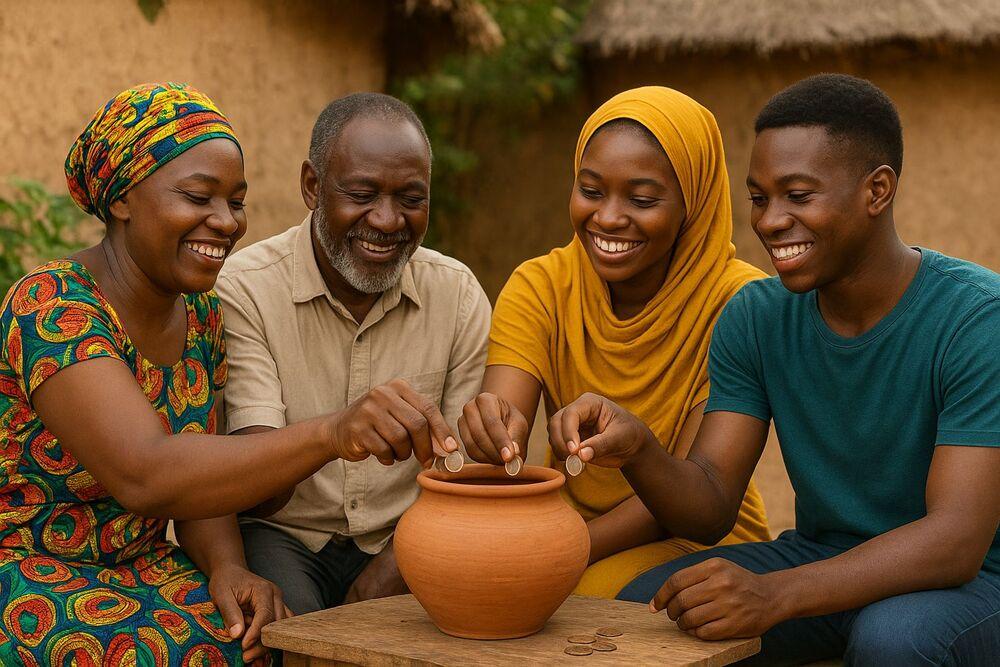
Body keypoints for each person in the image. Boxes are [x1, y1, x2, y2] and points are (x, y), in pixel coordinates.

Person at [0, 83, 456, 665]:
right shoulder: (53, 307)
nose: (225, 222)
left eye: (236, 202)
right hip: (32, 569)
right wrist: (333, 432)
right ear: (121, 200)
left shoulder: (201, 316)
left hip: (140, 565)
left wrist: (228, 567)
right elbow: (148, 474)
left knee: (266, 634)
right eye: (198, 197)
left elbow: (205, 472)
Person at [555, 74, 1000, 664]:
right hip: (825, 556)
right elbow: (711, 505)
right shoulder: (756, 317)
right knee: (652, 608)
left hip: (969, 584)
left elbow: (957, 542)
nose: (768, 222)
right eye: (760, 197)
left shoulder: (975, 318)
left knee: (894, 639)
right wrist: (640, 448)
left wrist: (776, 595)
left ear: (878, 191)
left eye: (799, 195)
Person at [458, 87, 770, 598]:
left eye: (642, 199)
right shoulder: (541, 286)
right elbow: (505, 413)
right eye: (591, 190)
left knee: (579, 605)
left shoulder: (740, 304)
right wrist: (493, 432)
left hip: (694, 536)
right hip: (567, 534)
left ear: (694, 201)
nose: (607, 217)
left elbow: (698, 498)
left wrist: (566, 547)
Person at [216, 92, 491, 614]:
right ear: (312, 187)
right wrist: (334, 433)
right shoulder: (246, 290)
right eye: (362, 194)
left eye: (411, 199)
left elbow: (458, 472)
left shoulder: (456, 296)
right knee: (288, 635)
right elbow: (254, 486)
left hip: (409, 533)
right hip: (282, 533)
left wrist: (394, 566)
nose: (388, 221)